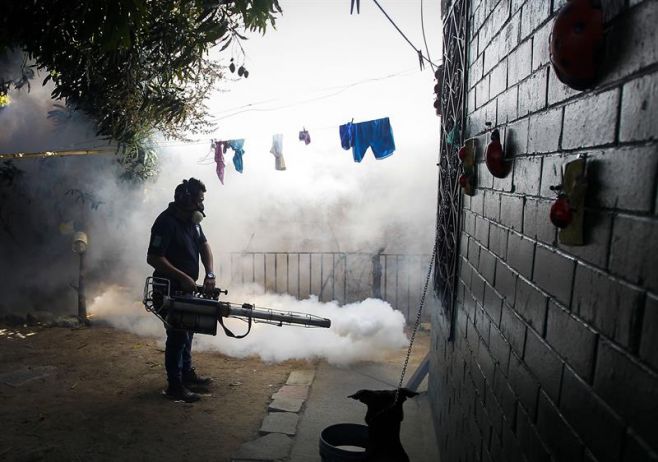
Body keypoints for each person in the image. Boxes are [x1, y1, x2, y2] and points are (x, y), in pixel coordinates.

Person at [147, 178, 216, 403]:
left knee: (188, 332)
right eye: (199, 200)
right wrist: (182, 276)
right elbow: (154, 257)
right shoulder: (165, 222)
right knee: (177, 335)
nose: (201, 206)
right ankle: (174, 386)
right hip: (168, 289)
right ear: (185, 200)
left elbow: (204, 246)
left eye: (202, 201)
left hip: (185, 289)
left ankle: (186, 375)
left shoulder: (193, 221)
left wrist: (210, 273)